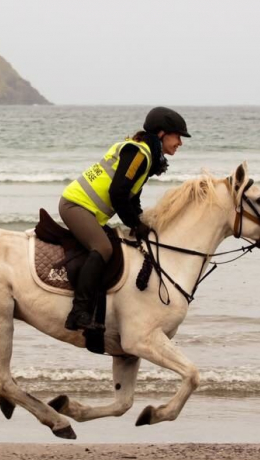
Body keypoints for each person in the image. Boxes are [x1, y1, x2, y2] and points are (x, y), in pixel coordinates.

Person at [59, 106, 191, 333]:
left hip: (90, 211)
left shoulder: (146, 157)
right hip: (75, 205)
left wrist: (141, 222)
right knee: (103, 248)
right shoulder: (139, 154)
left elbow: (132, 198)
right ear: (161, 133)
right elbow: (118, 193)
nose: (180, 142)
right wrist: (134, 224)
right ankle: (78, 312)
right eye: (177, 136)